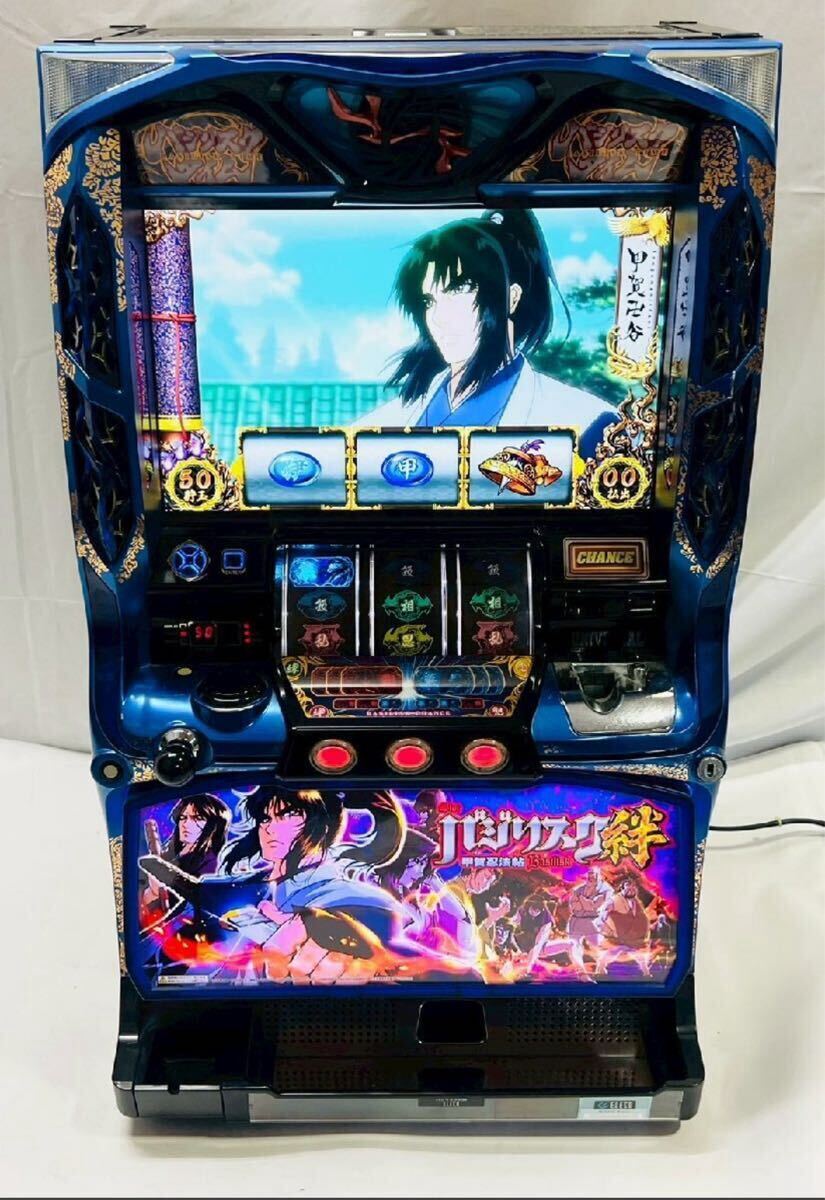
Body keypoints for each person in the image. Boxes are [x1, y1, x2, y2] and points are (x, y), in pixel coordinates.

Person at [358, 209, 616, 458]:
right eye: (429, 301)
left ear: (512, 298)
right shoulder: (377, 427)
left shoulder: (590, 423)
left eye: (458, 290)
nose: (437, 317)